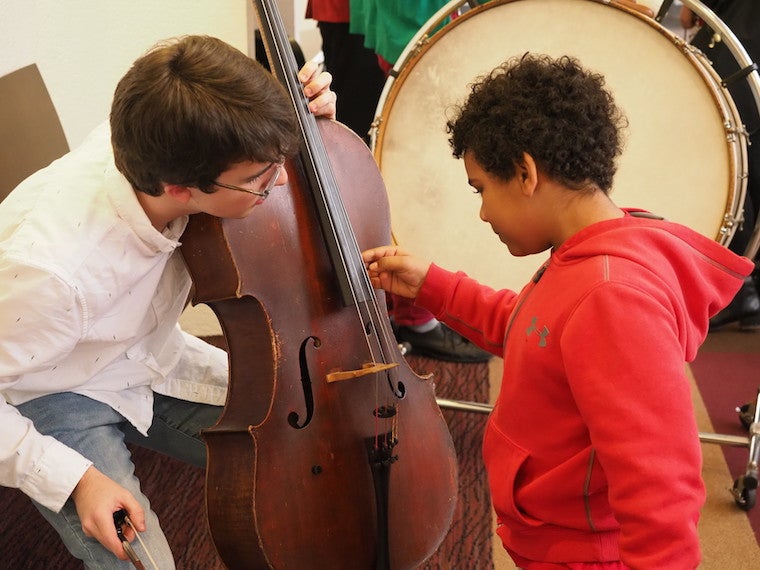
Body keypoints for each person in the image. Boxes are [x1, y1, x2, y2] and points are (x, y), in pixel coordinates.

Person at [363, 53, 754, 568]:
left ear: (525, 172)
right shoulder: (583, 258)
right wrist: (432, 285)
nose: (482, 212)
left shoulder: (612, 297)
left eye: (481, 189)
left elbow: (661, 490)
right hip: (553, 542)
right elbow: (532, 330)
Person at [0, 35, 337, 568]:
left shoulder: (167, 133)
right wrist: (77, 481)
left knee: (303, 444)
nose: (274, 185)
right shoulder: (51, 272)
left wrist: (309, 128)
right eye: (259, 181)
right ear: (180, 187)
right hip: (47, 390)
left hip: (144, 356)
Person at [307, 0, 490, 363]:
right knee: (399, 155)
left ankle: (401, 306)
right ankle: (408, 313)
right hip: (399, 14)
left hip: (382, 14)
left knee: (386, 153)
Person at [680, 0, 760, 330]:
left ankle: (741, 288)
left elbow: (687, 14)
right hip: (742, 41)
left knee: (733, 166)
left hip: (737, 45)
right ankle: (745, 289)